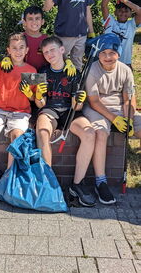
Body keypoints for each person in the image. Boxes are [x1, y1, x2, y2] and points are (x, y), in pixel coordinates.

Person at [35, 36, 97, 207]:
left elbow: (77, 107)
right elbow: (39, 104)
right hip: (50, 110)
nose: (49, 54)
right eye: (46, 52)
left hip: (70, 112)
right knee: (42, 131)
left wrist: (79, 100)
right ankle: (48, 182)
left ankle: (77, 184)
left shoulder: (75, 73)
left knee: (89, 133)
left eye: (52, 50)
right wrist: (38, 95)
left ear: (62, 50)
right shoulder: (43, 71)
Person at [0, 32, 38, 197]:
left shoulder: (31, 70)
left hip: (20, 112)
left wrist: (30, 94)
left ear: (27, 50)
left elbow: (35, 99)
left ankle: (9, 176)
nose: (18, 51)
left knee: (17, 135)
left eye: (21, 48)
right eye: (14, 48)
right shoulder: (2, 66)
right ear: (8, 50)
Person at [83, 33, 141, 204]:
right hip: (97, 107)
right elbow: (93, 101)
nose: (108, 57)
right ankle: (101, 182)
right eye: (103, 53)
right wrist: (115, 119)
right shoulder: (92, 69)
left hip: (119, 107)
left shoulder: (125, 70)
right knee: (101, 133)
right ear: (98, 54)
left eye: (112, 53)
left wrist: (129, 118)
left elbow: (129, 98)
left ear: (118, 53)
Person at [101, 0, 141, 67]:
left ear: (131, 14)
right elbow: (104, 5)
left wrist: (124, 1)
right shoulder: (110, 22)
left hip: (126, 64)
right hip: (108, 64)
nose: (123, 13)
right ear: (115, 12)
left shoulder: (132, 25)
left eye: (126, 11)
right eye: (120, 11)